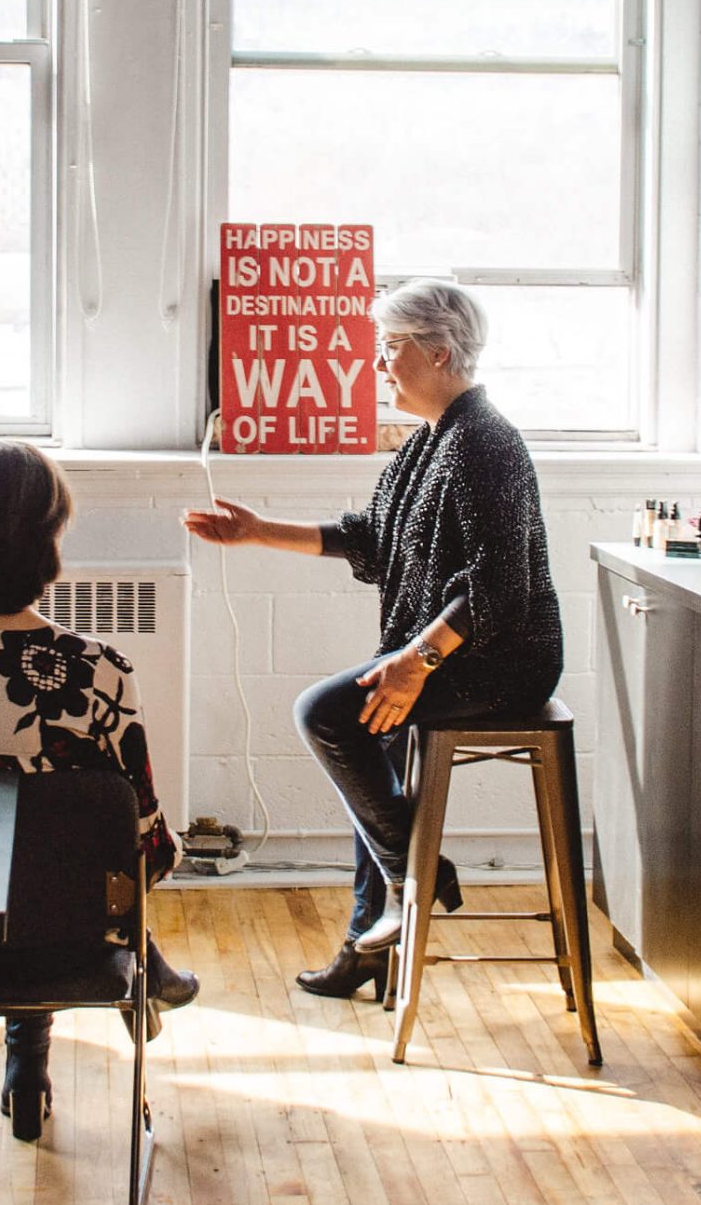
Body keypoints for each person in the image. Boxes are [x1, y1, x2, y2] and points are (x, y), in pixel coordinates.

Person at [181, 280, 564, 1001]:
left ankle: (412, 870)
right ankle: (371, 938)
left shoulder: (486, 443)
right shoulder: (430, 442)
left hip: (504, 661)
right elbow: (370, 537)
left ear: (440, 352)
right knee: (372, 753)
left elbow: (500, 585)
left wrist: (415, 663)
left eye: (390, 349)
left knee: (325, 712)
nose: (378, 365)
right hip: (455, 653)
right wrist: (257, 529)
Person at [0, 441, 193, 1141]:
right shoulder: (99, 668)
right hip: (73, 937)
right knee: (61, 857)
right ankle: (98, 1000)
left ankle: (28, 1057)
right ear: (45, 545)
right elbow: (147, 840)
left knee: (5, 853)